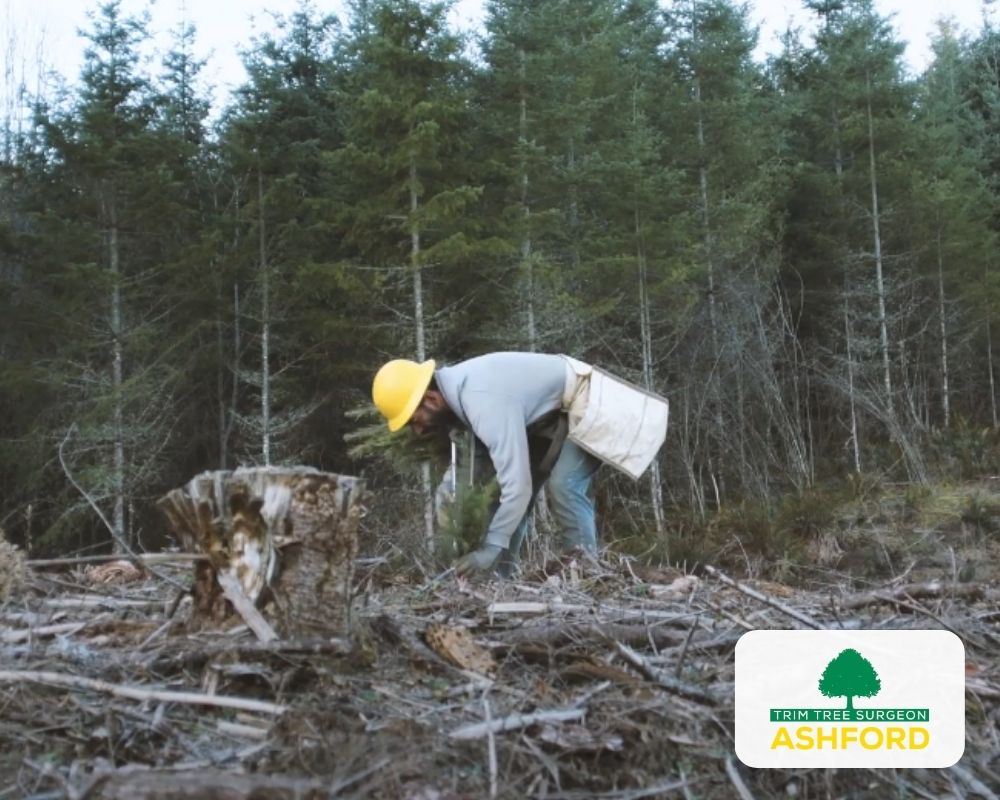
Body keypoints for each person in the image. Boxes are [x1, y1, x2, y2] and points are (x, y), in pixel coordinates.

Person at [371, 352, 669, 577]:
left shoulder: (481, 400)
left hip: (587, 400)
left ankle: (589, 575)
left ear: (431, 399)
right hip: (547, 418)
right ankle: (499, 584)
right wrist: (445, 499)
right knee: (499, 496)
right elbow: (466, 471)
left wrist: (489, 548)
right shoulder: (459, 396)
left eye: (414, 420)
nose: (419, 431)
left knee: (563, 484)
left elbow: (519, 486)